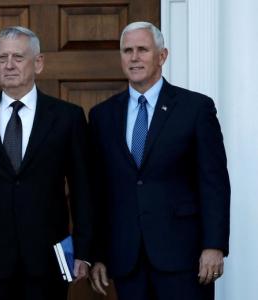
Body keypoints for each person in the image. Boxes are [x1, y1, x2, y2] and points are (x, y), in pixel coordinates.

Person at [89, 21, 230, 300]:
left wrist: (213, 245)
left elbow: (213, 182)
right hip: (127, 258)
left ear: (162, 56)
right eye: (127, 50)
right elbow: (98, 191)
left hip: (183, 257)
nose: (134, 57)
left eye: (142, 49)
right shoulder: (102, 115)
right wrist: (98, 254)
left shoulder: (196, 109)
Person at [0, 26, 92, 300]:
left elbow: (83, 190)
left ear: (38, 63)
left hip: (48, 260)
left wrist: (84, 252)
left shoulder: (67, 117)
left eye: (18, 57)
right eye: (2, 58)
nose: (9, 65)